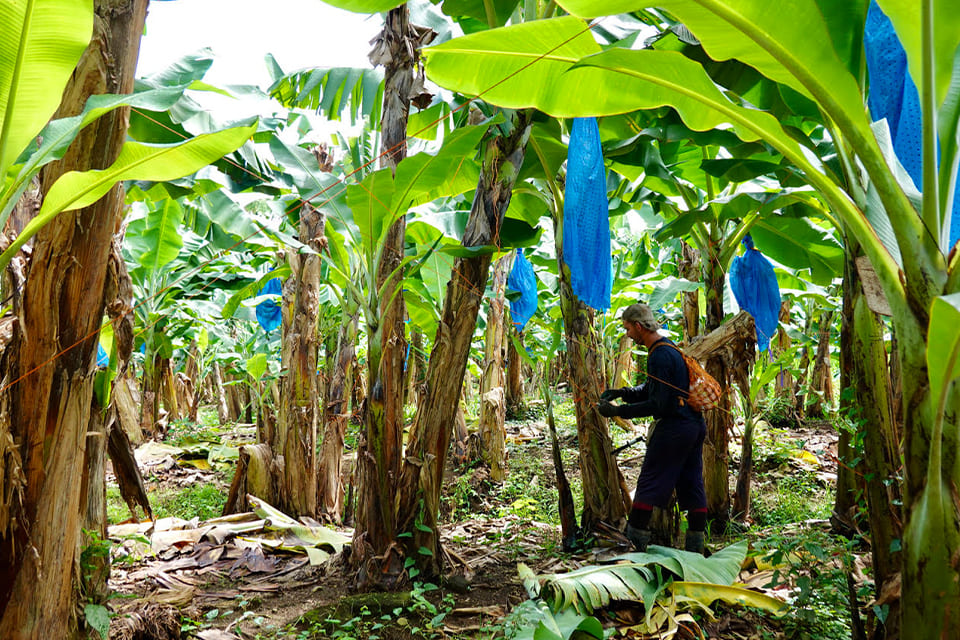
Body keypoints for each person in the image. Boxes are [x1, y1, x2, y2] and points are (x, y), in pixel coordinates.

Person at [597, 303, 707, 554]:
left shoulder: (659, 355)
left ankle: (634, 548)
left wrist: (618, 411)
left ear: (638, 326)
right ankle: (696, 550)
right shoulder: (667, 347)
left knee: (648, 485)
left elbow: (660, 403)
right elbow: (652, 388)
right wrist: (621, 393)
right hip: (693, 426)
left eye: (628, 329)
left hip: (674, 428)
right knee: (692, 485)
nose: (628, 334)